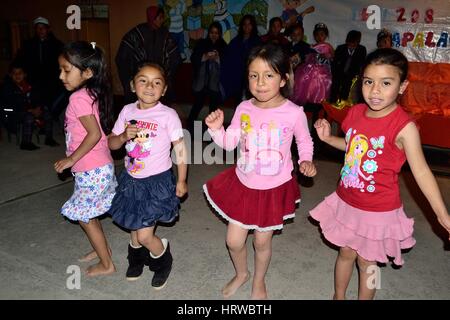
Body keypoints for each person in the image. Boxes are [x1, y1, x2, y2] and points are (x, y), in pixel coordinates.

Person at [311, 48, 450, 300]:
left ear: (402, 86)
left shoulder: (404, 126)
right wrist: (328, 138)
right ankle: (338, 296)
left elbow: (420, 171)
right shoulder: (354, 113)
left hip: (378, 210)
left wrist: (442, 214)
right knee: (345, 253)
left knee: (368, 263)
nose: (375, 91)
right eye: (368, 81)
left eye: (385, 83)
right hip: (347, 200)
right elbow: (353, 145)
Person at [203, 43, 316, 299]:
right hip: (244, 183)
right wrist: (216, 129)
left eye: (268, 75)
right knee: (233, 241)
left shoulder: (294, 112)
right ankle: (242, 273)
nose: (260, 82)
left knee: (262, 242)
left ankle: (259, 281)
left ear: (283, 78)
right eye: (254, 75)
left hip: (274, 187)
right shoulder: (244, 108)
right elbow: (231, 142)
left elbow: (305, 141)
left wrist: (306, 160)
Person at [108, 62, 188, 290]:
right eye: (143, 80)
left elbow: (180, 149)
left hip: (156, 182)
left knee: (144, 235)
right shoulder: (127, 111)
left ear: (163, 90)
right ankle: (136, 260)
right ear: (133, 85)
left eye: (157, 82)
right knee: (134, 230)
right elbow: (112, 143)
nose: (149, 86)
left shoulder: (167, 114)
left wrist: (181, 179)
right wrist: (123, 136)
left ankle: (162, 259)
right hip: (131, 179)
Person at [54, 41, 117, 276]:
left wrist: (71, 159)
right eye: (60, 69)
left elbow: (94, 134)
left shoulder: (78, 98)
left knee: (84, 216)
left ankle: (107, 264)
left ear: (88, 72)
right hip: (98, 166)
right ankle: (103, 250)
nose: (62, 75)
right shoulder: (90, 92)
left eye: (67, 70)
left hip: (91, 167)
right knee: (89, 212)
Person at [115, 6, 181, 105]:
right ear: (152, 17)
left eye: (162, 17)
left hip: (158, 79)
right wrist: (131, 76)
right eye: (160, 17)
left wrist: (165, 73)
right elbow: (122, 58)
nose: (162, 20)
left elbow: (175, 58)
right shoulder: (137, 33)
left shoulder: (164, 34)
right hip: (141, 78)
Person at [16, 16, 62, 146]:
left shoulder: (56, 44)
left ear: (48, 29)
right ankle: (36, 132)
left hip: (51, 83)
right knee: (36, 107)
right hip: (34, 82)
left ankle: (49, 137)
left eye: (43, 28)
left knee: (48, 108)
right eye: (38, 28)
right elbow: (20, 60)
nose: (40, 31)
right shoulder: (28, 44)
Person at [0, 62, 53, 150]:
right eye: (14, 73)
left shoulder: (29, 86)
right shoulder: (7, 87)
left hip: (29, 110)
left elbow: (38, 98)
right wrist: (29, 110)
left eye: (20, 73)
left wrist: (38, 107)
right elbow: (8, 106)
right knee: (29, 116)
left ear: (24, 74)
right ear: (10, 75)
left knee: (47, 114)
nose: (17, 75)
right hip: (12, 114)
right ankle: (25, 143)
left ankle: (49, 139)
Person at [188, 21, 227, 135]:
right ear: (208, 33)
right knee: (197, 105)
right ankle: (190, 129)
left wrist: (218, 58)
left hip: (215, 83)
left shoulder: (223, 45)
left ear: (220, 34)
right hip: (201, 81)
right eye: (211, 32)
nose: (214, 35)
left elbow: (228, 63)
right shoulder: (202, 43)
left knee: (213, 109)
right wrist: (204, 56)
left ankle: (212, 133)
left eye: (216, 33)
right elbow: (193, 58)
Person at [220, 14, 262, 105]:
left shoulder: (257, 41)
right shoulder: (236, 40)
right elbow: (227, 55)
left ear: (253, 26)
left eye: (249, 24)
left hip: (250, 77)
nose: (247, 27)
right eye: (244, 24)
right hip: (235, 76)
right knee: (238, 102)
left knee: (248, 102)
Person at [330, 30, 367, 103]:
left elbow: (362, 64)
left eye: (354, 44)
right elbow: (334, 64)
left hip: (352, 74)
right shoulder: (340, 48)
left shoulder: (361, 50)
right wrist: (335, 74)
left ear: (358, 42)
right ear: (346, 41)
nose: (351, 46)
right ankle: (332, 104)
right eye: (349, 43)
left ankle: (343, 104)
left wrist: (358, 75)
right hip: (339, 73)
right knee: (335, 86)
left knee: (347, 87)